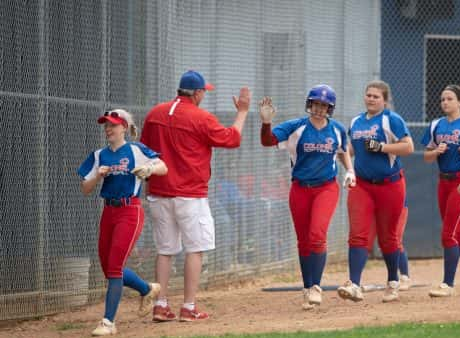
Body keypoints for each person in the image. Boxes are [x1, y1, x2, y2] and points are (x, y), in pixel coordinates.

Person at [141, 70, 251, 321]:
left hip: (159, 191)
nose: (204, 95)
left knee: (165, 250)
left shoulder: (155, 113)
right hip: (190, 193)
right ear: (198, 93)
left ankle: (160, 304)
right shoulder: (200, 117)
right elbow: (232, 139)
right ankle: (188, 307)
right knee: (195, 249)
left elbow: (145, 150)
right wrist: (242, 112)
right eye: (204, 91)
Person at [258, 85, 355, 310]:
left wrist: (350, 171)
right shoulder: (297, 127)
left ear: (330, 108)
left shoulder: (337, 128)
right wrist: (266, 123)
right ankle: (307, 286)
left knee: (317, 235)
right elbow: (267, 141)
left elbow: (342, 151)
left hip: (326, 188)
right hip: (300, 188)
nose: (319, 109)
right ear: (309, 104)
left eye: (324, 105)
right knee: (303, 241)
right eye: (316, 104)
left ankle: (316, 288)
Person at [78, 109, 167, 336]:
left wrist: (148, 169)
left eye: (113, 125)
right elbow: (85, 189)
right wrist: (98, 175)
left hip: (130, 211)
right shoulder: (99, 155)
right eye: (106, 125)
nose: (108, 129)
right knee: (109, 269)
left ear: (124, 128)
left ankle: (108, 321)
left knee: (115, 267)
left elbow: (163, 167)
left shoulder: (135, 150)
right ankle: (147, 289)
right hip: (109, 212)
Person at [338, 80, 414, 303]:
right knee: (358, 234)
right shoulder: (357, 121)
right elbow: (350, 149)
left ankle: (392, 281)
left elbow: (408, 147)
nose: (371, 99)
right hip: (362, 185)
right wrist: (343, 160)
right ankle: (354, 284)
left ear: (385, 100)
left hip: (390, 184)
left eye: (376, 96)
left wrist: (382, 147)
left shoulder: (391, 119)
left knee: (388, 237)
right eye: (368, 95)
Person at [422, 85, 460, 297]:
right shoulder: (435, 125)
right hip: (444, 182)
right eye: (442, 99)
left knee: (448, 233)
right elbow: (426, 156)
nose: (445, 102)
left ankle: (448, 284)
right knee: (455, 232)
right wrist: (436, 152)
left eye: (449, 99)